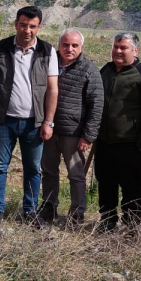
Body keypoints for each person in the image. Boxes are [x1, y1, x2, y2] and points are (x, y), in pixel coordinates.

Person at [0, 6, 59, 224]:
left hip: (34, 123)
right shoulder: (0, 48)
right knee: (0, 165)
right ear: (15, 24)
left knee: (32, 169)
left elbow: (52, 89)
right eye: (22, 24)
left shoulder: (48, 51)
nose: (27, 30)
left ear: (39, 27)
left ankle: (29, 210)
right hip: (3, 120)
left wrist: (48, 122)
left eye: (32, 26)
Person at [95, 32, 141, 231]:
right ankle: (107, 220)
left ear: (135, 50)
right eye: (116, 46)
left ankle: (132, 224)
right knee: (105, 182)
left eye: (123, 48)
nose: (118, 51)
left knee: (131, 185)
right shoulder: (105, 71)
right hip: (105, 141)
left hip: (131, 143)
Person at [38, 29, 102, 228]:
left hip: (74, 133)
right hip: (49, 129)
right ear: (59, 45)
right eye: (65, 44)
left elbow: (97, 104)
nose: (69, 49)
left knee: (75, 175)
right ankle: (49, 207)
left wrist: (88, 136)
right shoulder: (49, 63)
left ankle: (77, 212)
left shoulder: (89, 70)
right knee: (48, 171)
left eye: (74, 45)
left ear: (81, 47)